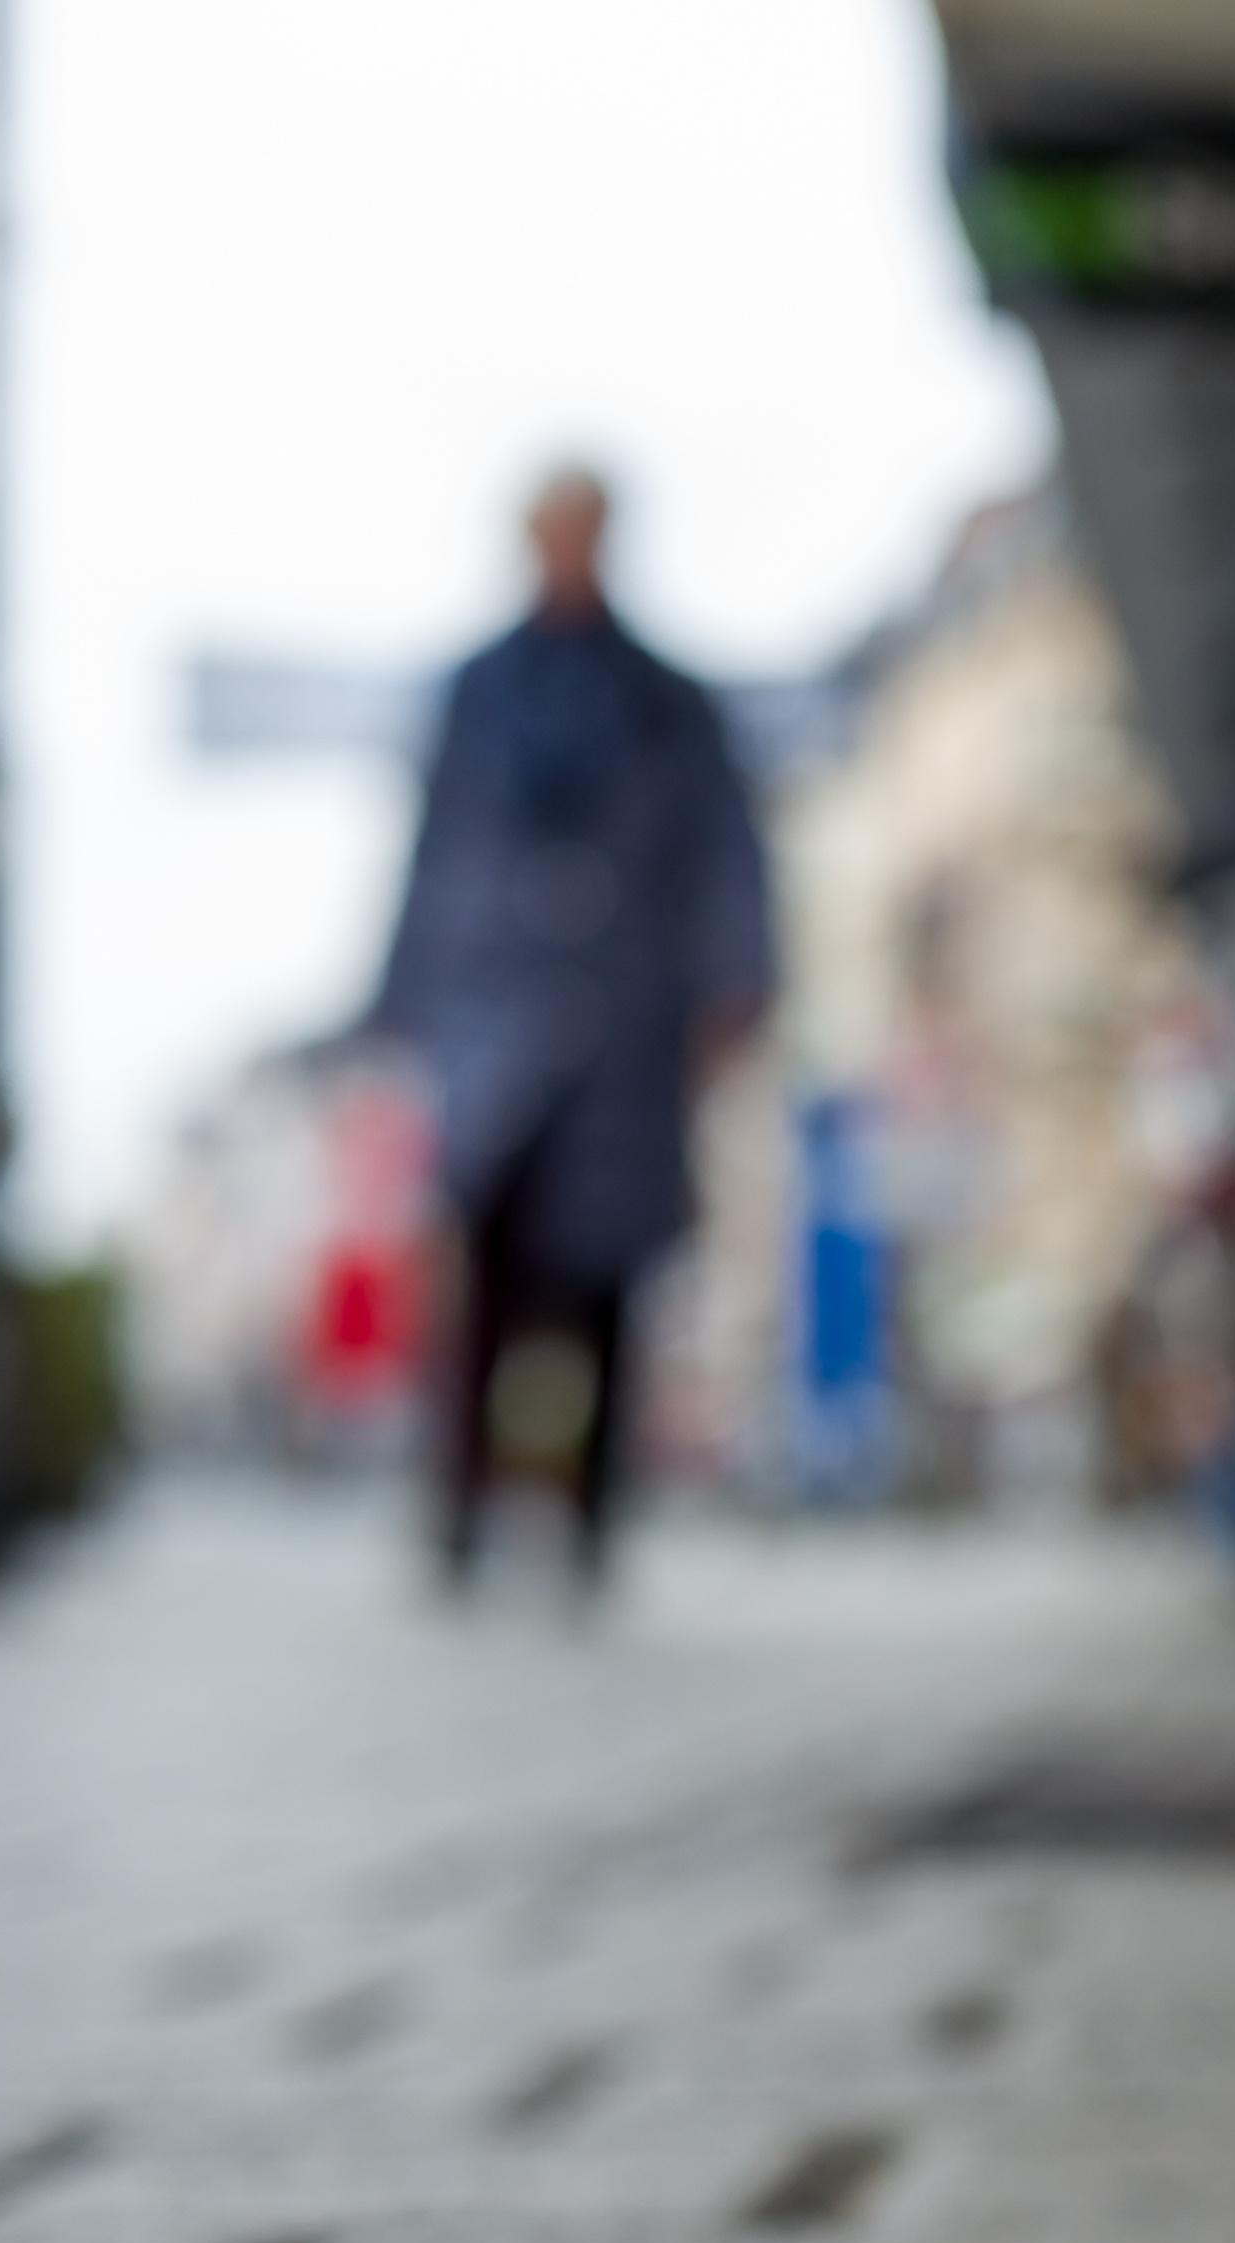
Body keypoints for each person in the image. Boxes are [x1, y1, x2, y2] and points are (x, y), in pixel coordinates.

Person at [362, 464, 773, 1596]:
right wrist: (401, 1008)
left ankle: (591, 1517)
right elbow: (430, 849)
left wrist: (735, 982)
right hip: (495, 1012)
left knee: (606, 1279)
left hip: (625, 1015)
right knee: (484, 1264)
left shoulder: (670, 700)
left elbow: (728, 851)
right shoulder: (477, 692)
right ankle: (457, 1506)